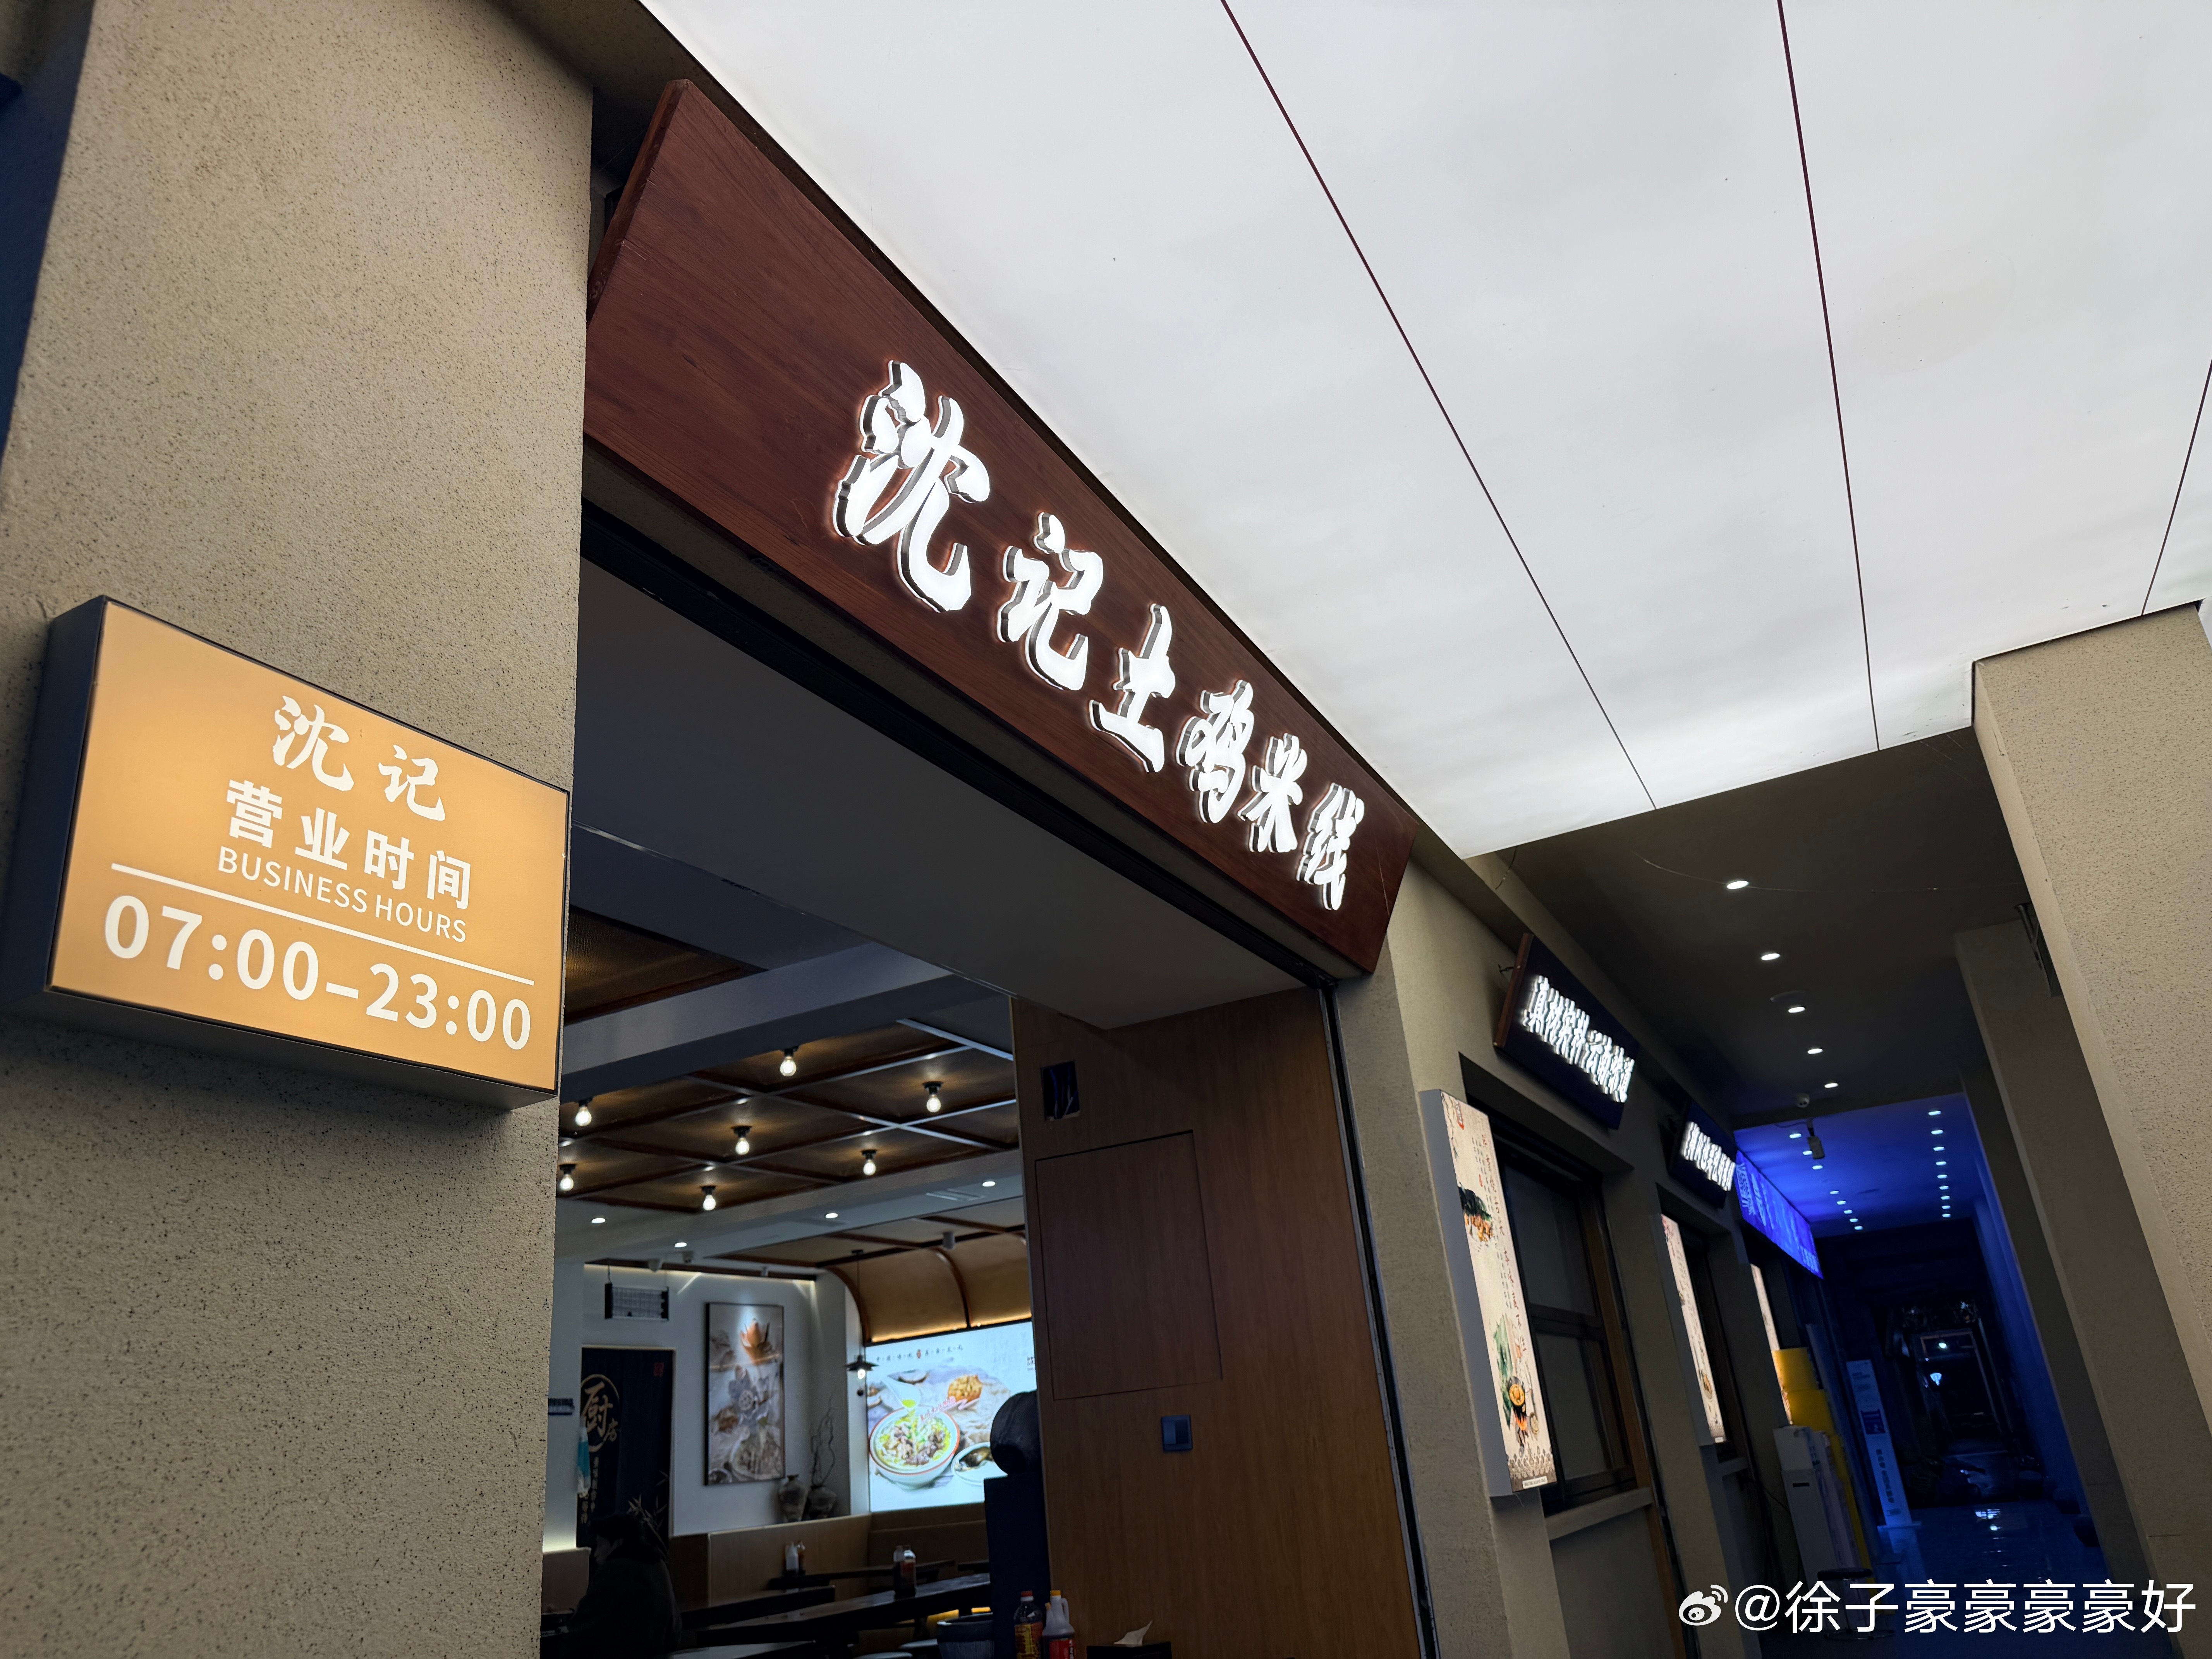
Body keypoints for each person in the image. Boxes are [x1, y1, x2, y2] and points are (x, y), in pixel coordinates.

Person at [547, 1511, 682, 1658]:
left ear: (618, 1543)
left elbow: (587, 1618)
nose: (596, 1554)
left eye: (600, 1545)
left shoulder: (617, 1569)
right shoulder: (657, 1563)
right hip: (662, 1648)